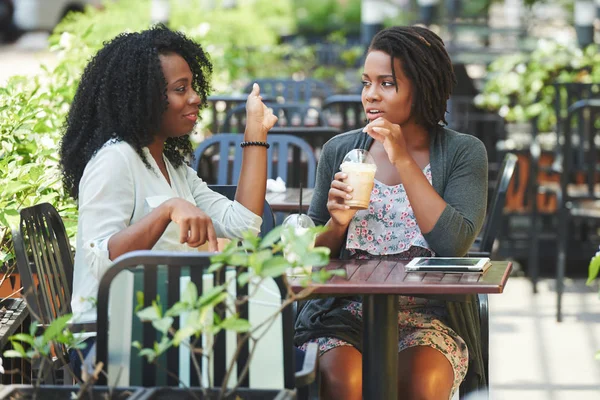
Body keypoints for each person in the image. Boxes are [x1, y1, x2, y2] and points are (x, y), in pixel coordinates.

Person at [59, 25, 277, 377]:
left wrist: (256, 131)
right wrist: (166, 211)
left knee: (282, 355)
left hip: (171, 328)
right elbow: (101, 260)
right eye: (180, 89)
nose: (195, 98)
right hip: (113, 338)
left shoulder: (172, 167)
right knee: (274, 366)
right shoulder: (115, 161)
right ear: (143, 98)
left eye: (193, 86)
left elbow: (243, 225)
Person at [294, 26, 488, 400]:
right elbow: (309, 257)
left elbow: (453, 243)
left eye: (386, 83)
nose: (371, 95)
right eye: (367, 82)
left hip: (429, 316)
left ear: (423, 86)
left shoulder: (464, 152)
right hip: (342, 313)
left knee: (421, 383)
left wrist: (400, 155)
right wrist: (336, 224)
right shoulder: (341, 150)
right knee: (343, 382)